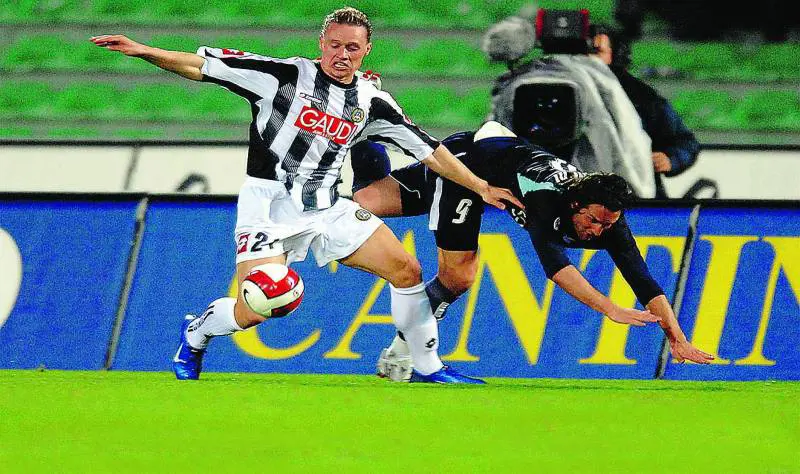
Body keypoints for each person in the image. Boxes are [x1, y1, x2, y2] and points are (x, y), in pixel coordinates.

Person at [91, 7, 522, 384]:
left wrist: (481, 187)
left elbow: (429, 150)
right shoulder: (282, 76)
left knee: (407, 270)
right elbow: (201, 66)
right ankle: (198, 331)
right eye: (335, 45)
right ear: (322, 43)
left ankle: (425, 367)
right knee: (259, 306)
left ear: (366, 50)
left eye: (352, 47)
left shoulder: (372, 101)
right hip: (268, 208)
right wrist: (144, 50)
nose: (342, 54)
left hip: (327, 206)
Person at [350, 121, 714, 381]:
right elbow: (555, 268)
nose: (597, 232)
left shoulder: (608, 219)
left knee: (366, 200)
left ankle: (362, 143)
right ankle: (404, 356)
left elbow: (642, 279)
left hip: (490, 153)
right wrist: (610, 309)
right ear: (575, 205)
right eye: (593, 221)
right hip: (466, 166)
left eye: (606, 225)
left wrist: (677, 338)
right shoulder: (545, 197)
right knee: (458, 276)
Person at [592, 26, 701, 199]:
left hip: (635, 198)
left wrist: (670, 159)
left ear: (615, 55)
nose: (588, 59)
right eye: (583, 52)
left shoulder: (642, 97)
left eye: (596, 52)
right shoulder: (558, 92)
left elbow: (686, 142)